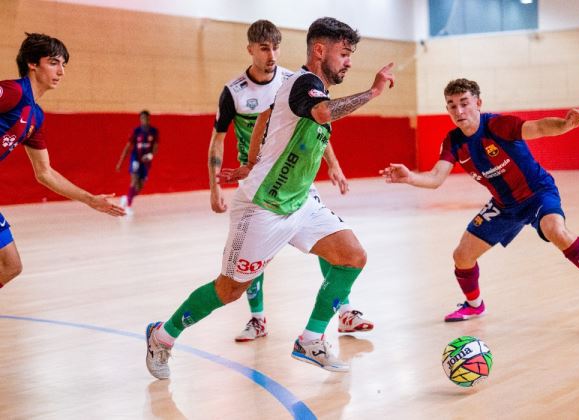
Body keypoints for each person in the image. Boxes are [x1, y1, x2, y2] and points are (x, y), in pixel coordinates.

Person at [146, 17, 394, 378]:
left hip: (300, 201)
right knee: (229, 290)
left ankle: (310, 339)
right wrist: (372, 93)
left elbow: (265, 116)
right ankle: (162, 336)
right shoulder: (305, 83)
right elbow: (323, 113)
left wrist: (251, 161)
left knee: (352, 256)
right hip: (262, 208)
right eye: (344, 53)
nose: (349, 62)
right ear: (320, 50)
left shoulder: (300, 85)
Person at [208, 19, 373, 342]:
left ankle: (343, 311)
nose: (272, 55)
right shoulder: (234, 91)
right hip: (262, 177)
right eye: (264, 48)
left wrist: (334, 165)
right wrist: (220, 181)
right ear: (250, 50)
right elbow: (228, 134)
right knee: (252, 262)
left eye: (276, 47)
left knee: (332, 241)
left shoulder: (292, 79)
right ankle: (258, 318)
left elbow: (318, 124)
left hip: (296, 176)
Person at [380, 78, 579, 322]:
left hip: (537, 193)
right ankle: (474, 306)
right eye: (452, 106)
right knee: (462, 256)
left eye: (464, 103)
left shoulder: (498, 125)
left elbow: (538, 128)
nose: (459, 111)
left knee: (555, 230)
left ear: (478, 103)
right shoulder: (453, 142)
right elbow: (435, 178)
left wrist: (565, 125)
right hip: (504, 205)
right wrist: (410, 177)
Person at [0, 33, 125, 289]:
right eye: (54, 62)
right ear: (33, 63)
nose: (61, 72)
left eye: (64, 65)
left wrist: (90, 199)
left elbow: (45, 172)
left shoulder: (35, 116)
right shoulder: (12, 92)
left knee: (10, 266)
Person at [115, 110, 159, 215]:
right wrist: (120, 162)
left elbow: (155, 147)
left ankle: (126, 198)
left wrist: (150, 156)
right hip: (136, 159)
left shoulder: (154, 131)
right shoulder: (136, 131)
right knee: (134, 181)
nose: (145, 120)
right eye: (142, 118)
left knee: (140, 187)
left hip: (146, 161)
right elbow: (128, 147)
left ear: (149, 119)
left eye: (146, 118)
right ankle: (128, 206)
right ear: (140, 119)